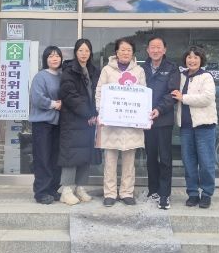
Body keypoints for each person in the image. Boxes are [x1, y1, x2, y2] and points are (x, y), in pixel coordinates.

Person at [95, 38, 147, 207]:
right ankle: (110, 193)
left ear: (133, 53)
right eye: (122, 49)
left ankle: (126, 192)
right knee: (110, 160)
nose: (125, 53)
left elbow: (143, 94)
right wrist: (102, 112)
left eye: (128, 50)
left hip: (131, 122)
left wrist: (142, 115)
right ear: (116, 52)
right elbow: (99, 92)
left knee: (129, 161)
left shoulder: (139, 71)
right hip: (111, 123)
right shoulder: (107, 70)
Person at [171, 45, 217, 209]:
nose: (192, 60)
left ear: (201, 60)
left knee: (206, 162)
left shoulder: (206, 76)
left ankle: (206, 194)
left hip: (204, 126)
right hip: (186, 127)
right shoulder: (181, 76)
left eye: (196, 57)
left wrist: (183, 97)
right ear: (185, 59)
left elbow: (207, 98)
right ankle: (192, 193)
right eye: (189, 57)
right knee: (189, 162)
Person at [57, 39, 100, 205]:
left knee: (85, 154)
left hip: (89, 121)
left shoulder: (94, 71)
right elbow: (70, 95)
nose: (84, 54)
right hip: (73, 120)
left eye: (87, 50)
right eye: (81, 50)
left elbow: (98, 93)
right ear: (76, 52)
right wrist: (88, 113)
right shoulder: (69, 71)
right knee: (71, 155)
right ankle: (66, 190)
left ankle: (80, 187)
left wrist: (95, 113)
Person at [142, 36, 179, 210]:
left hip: (163, 119)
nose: (155, 50)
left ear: (164, 50)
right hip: (146, 120)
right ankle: (153, 190)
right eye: (152, 47)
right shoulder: (141, 68)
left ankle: (164, 194)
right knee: (150, 157)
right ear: (147, 50)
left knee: (164, 157)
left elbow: (173, 93)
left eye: (159, 47)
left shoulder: (172, 68)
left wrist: (159, 109)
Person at [29, 45, 63, 204]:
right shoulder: (40, 76)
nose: (54, 59)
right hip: (42, 123)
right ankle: (41, 192)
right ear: (45, 59)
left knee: (55, 158)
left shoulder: (62, 76)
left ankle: (52, 189)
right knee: (43, 158)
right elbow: (36, 98)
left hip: (58, 123)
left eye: (57, 56)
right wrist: (54, 104)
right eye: (51, 56)